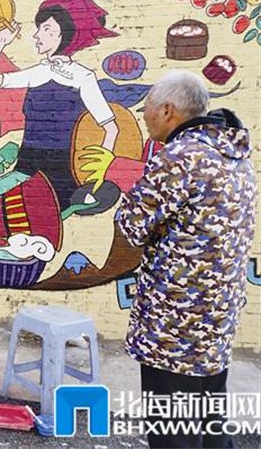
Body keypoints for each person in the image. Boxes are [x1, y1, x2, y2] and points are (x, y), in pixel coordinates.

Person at [115, 70, 256, 449]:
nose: (144, 115)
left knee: (173, 434)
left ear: (167, 111)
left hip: (175, 327)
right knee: (210, 426)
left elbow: (131, 226)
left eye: (147, 107)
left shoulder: (179, 158)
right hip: (216, 321)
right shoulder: (235, 155)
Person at [0, 0, 120, 209]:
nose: (37, 35)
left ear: (64, 34)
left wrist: (97, 172)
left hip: (61, 171)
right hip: (26, 164)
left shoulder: (82, 76)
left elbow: (111, 128)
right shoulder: (38, 72)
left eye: (46, 29)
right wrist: (1, 44)